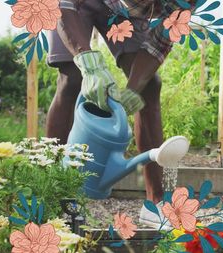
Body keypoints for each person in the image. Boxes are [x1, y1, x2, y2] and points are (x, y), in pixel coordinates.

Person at [46, 0, 193, 228]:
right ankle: (60, 201)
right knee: (72, 77)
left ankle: (155, 205)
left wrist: (133, 89)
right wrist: (88, 63)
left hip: (120, 10)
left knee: (149, 87)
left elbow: (161, 39)